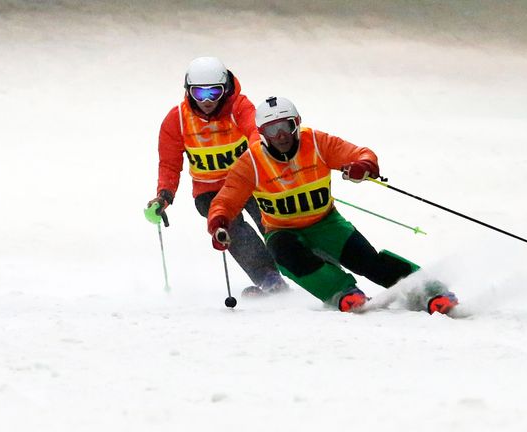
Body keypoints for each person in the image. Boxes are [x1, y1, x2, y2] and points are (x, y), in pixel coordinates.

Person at [206, 96, 458, 313]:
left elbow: (360, 153)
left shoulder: (316, 142)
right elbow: (226, 201)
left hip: (326, 223)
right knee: (288, 258)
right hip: (282, 231)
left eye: (286, 126)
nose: (281, 135)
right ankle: (342, 292)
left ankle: (430, 292)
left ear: (297, 124)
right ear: (262, 134)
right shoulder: (251, 162)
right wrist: (219, 223)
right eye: (272, 130)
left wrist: (364, 167)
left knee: (367, 261)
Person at [147, 57, 289, 296]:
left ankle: (304, 267)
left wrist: (265, 158)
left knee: (273, 221)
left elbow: (256, 133)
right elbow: (170, 165)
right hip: (210, 191)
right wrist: (164, 197)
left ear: (226, 89)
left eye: (214, 92)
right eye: (199, 93)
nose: (207, 101)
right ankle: (269, 278)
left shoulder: (239, 107)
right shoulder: (177, 121)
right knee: (230, 229)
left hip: (249, 181)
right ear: (188, 92)